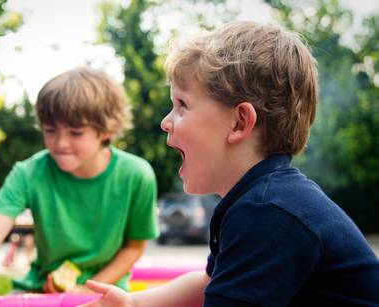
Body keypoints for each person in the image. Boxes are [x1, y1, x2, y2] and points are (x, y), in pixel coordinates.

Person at [82, 21, 379, 307]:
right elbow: (211, 284)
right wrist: (134, 303)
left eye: (182, 105)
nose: (165, 122)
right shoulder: (261, 200)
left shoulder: (268, 212)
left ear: (239, 122)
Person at [0, 67, 159, 306]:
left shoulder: (136, 175)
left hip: (107, 292)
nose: (60, 143)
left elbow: (134, 247)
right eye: (50, 130)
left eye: (76, 132)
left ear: (106, 130)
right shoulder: (28, 173)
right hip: (40, 290)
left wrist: (84, 290)